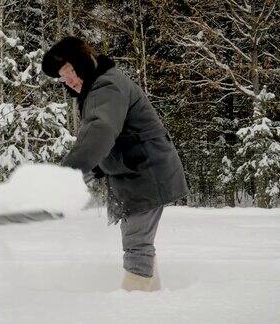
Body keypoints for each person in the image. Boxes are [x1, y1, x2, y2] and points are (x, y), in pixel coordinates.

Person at [42, 37, 189, 292]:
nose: (68, 82)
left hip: (146, 174)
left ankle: (135, 301)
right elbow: (117, 138)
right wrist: (94, 169)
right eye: (63, 79)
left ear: (83, 64)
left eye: (70, 74)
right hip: (139, 172)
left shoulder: (106, 87)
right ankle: (151, 298)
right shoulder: (101, 87)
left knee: (136, 241)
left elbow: (100, 131)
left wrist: (66, 175)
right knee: (138, 241)